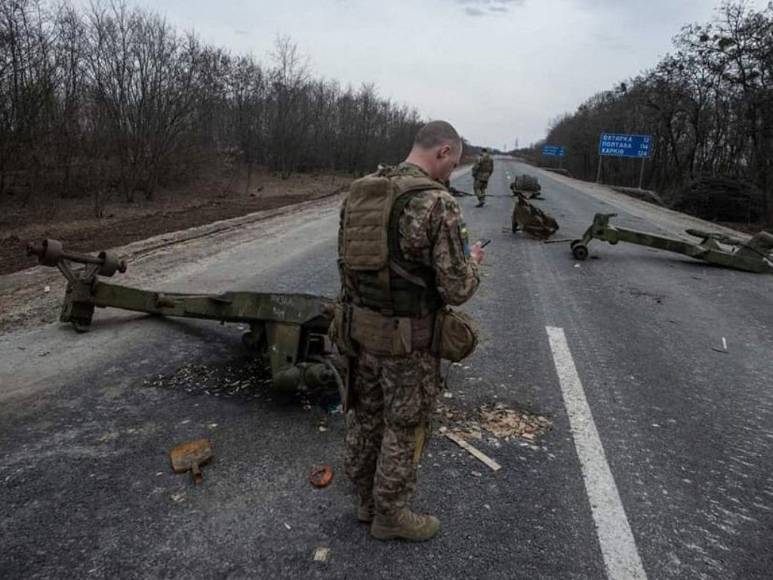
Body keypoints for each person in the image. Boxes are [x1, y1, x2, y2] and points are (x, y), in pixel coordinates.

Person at [333, 120, 484, 542]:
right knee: (404, 424)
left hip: (359, 331)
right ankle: (391, 515)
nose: (451, 171)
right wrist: (473, 263)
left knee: (365, 417)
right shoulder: (437, 203)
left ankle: (365, 501)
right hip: (408, 342)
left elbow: (346, 266)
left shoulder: (361, 190)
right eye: (453, 161)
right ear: (443, 152)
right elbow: (457, 288)